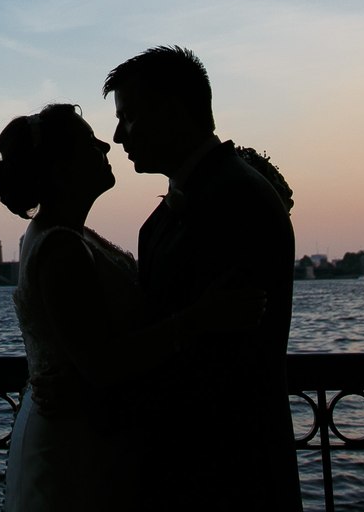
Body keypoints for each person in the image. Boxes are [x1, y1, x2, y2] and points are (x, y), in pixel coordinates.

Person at [0, 103, 260, 512]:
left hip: (81, 427)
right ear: (63, 167)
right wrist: (199, 318)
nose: (105, 145)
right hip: (78, 440)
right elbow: (103, 363)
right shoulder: (62, 248)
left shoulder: (63, 234)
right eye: (88, 141)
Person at [104, 45, 303, 511]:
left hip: (225, 476)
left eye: (128, 116)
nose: (117, 135)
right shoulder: (195, 199)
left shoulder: (237, 200)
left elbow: (222, 357)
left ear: (171, 111)